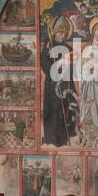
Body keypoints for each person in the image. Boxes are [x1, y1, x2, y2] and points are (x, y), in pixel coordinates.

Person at [41, 16, 78, 147]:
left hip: (65, 83)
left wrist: (66, 66)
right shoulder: (48, 45)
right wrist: (55, 66)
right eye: (60, 33)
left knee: (65, 110)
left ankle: (63, 138)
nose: (62, 36)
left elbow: (73, 67)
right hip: (52, 84)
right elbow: (44, 64)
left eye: (64, 33)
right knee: (53, 109)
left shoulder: (68, 48)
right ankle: (51, 138)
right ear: (54, 32)